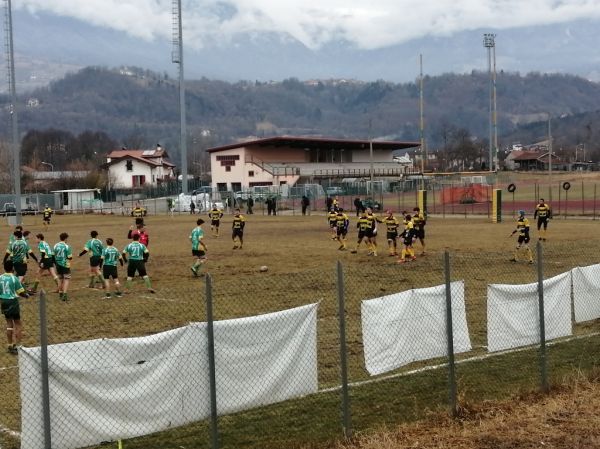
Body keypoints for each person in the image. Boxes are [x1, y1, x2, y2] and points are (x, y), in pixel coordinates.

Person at [1, 260, 29, 355]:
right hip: (12, 302)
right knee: (18, 323)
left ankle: (9, 345)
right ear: (12, 268)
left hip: (4, 302)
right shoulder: (14, 278)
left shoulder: (0, 277)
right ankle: (17, 345)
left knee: (9, 324)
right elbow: (20, 292)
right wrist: (26, 295)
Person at [54, 232, 73, 301]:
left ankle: (60, 294)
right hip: (65, 265)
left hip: (58, 265)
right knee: (66, 279)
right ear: (65, 238)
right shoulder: (67, 246)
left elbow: (53, 255)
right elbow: (70, 257)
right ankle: (65, 295)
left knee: (60, 279)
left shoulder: (56, 245)